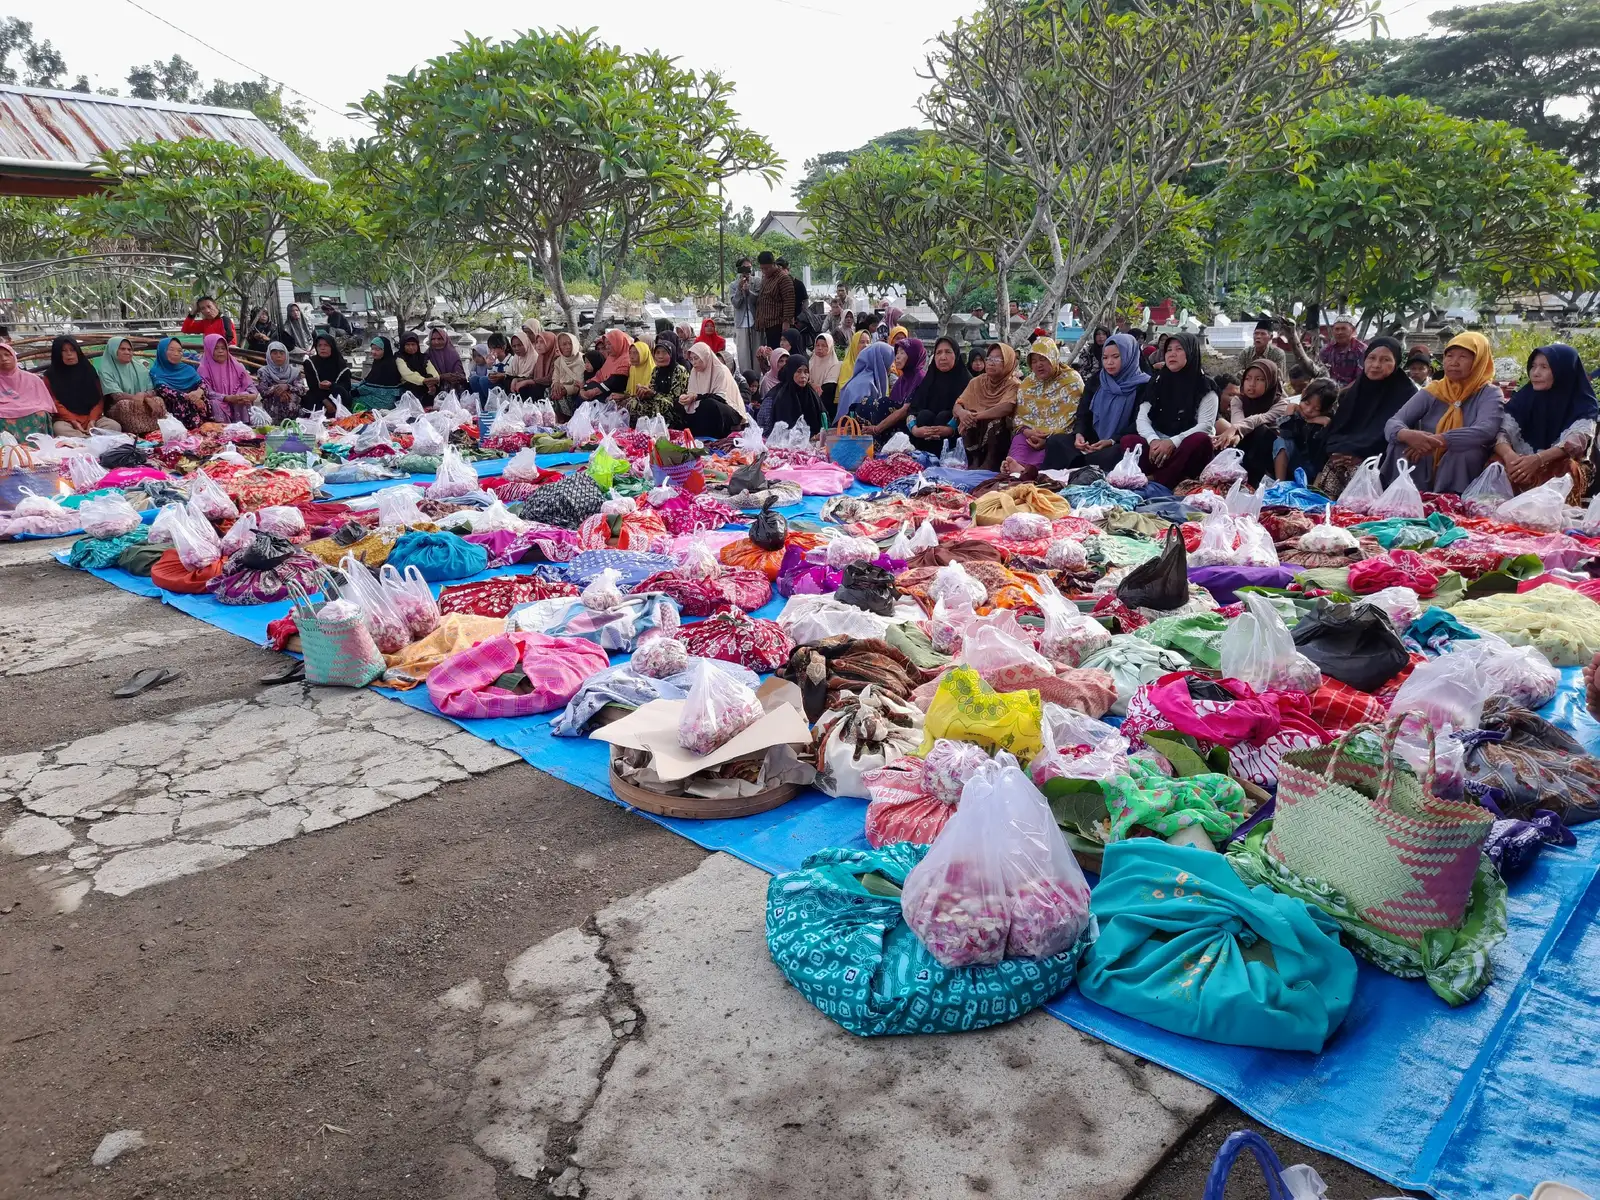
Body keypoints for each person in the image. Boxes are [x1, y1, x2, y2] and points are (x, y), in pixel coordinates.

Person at [1382, 331, 1500, 493]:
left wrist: (1441, 440)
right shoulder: (1434, 390)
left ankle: (1450, 502)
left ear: (1479, 361)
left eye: (1463, 357)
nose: (1454, 362)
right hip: (1425, 452)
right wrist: (1408, 435)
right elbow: (1393, 422)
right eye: (1449, 356)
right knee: (1399, 444)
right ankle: (1403, 498)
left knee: (1464, 452)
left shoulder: (1489, 393)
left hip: (1460, 453)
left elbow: (1486, 429)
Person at [1313, 335, 1415, 497]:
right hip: (1347, 454)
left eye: (1385, 360)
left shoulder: (1407, 393)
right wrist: (1337, 450)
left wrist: (1361, 455)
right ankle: (1325, 511)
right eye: (1371, 358)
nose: (1376, 365)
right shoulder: (1356, 390)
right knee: (1334, 466)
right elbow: (1340, 427)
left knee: (1358, 471)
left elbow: (1393, 433)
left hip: (1382, 459)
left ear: (1396, 363)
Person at [1495, 343, 1597, 498]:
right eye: (1533, 366)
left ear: (1563, 371)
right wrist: (1510, 456)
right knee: (1496, 462)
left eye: (1544, 367)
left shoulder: (1582, 404)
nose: (1535, 373)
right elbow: (1502, 431)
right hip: (1520, 462)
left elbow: (1575, 442)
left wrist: (1538, 460)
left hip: (1556, 461)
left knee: (1566, 468)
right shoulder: (1525, 398)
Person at [1119, 331, 1219, 487]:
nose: (1172, 354)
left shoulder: (1205, 386)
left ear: (1191, 352)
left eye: (1179, 349)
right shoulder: (1157, 381)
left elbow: (1206, 425)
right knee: (1129, 440)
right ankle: (1166, 476)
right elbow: (1143, 417)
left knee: (1200, 440)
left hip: (1184, 449)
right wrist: (1153, 440)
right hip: (1157, 449)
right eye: (1169, 350)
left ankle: (1158, 479)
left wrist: (1173, 442)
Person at [1044, 331, 1151, 472]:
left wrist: (1112, 440)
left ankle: (1082, 468)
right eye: (1105, 358)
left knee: (1118, 452)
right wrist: (1079, 434)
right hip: (1092, 442)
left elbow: (1139, 423)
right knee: (1056, 441)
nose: (1109, 362)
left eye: (1116, 357)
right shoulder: (1098, 380)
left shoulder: (1145, 385)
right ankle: (1083, 467)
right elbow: (1083, 413)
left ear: (1129, 356)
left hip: (1116, 442)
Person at [1000, 338, 1085, 474]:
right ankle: (1014, 468)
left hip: (1057, 438)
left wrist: (1047, 438)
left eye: (1043, 359)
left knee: (1053, 445)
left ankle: (1027, 472)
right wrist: (1028, 431)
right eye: (1034, 361)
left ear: (1053, 357)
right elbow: (1020, 419)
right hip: (1030, 435)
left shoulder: (1071, 380)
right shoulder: (1028, 383)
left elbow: (1073, 418)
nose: (1038, 365)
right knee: (1019, 439)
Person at [1215, 359, 1292, 482]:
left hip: (1271, 457)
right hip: (1246, 449)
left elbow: (1261, 418)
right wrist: (1236, 431)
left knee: (1261, 430)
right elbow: (1238, 422)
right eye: (1248, 379)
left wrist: (1236, 429)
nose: (1251, 384)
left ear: (1270, 381)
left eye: (1259, 379)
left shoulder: (1281, 404)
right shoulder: (1238, 400)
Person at [953, 343, 1022, 470]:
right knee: (966, 415)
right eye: (989, 359)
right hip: (977, 428)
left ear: (1007, 362)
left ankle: (990, 461)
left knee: (996, 420)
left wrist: (976, 416)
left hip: (1002, 435)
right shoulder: (977, 381)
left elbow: (1006, 407)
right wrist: (963, 413)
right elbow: (958, 404)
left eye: (997, 360)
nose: (990, 363)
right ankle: (974, 459)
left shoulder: (1014, 384)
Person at [43, 336, 117, 435]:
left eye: (73, 350)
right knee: (59, 429)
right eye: (64, 351)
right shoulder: (50, 376)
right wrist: (72, 420)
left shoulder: (88, 370)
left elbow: (99, 398)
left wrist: (92, 419)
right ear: (57, 354)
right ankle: (89, 440)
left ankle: (83, 440)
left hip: (92, 418)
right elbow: (54, 402)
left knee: (114, 426)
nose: (69, 354)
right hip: (67, 420)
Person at [906, 336, 969, 452]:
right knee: (924, 415)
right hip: (923, 440)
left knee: (944, 416)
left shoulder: (966, 381)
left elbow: (970, 410)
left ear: (956, 354)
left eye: (948, 352)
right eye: (938, 353)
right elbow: (912, 411)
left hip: (953, 442)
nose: (943, 357)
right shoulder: (929, 380)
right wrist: (915, 430)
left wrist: (950, 429)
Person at [674, 341, 747, 438]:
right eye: (691, 359)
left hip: (728, 409)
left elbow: (721, 397)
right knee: (678, 405)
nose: (694, 362)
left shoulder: (721, 370)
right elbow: (692, 392)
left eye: (696, 358)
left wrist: (696, 397)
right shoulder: (694, 372)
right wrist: (686, 398)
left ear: (706, 356)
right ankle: (694, 437)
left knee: (709, 404)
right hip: (704, 403)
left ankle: (716, 436)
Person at [95, 336, 166, 435]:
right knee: (125, 404)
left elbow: (153, 390)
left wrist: (145, 397)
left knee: (158, 400)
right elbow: (116, 396)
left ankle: (156, 430)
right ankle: (138, 433)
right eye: (122, 349)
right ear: (113, 350)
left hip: (140, 400)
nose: (127, 352)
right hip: (116, 407)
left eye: (129, 349)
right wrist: (140, 397)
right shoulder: (105, 370)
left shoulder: (139, 367)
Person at [1273, 377, 1337, 481]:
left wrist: (1327, 427)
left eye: (1316, 409)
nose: (1308, 410)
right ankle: (1280, 484)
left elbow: (1323, 457)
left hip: (1313, 470)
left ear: (1326, 409)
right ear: (1303, 394)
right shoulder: (1296, 412)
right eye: (1306, 403)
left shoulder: (1329, 421)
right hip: (1294, 463)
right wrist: (1289, 414)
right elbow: (1285, 436)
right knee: (1281, 442)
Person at [0, 335, 60, 442]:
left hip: (30, 411)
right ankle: (8, 452)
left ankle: (38, 449)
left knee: (41, 414)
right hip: (3, 413)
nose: (4, 359)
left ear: (14, 356)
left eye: (7, 355)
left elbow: (44, 403)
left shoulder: (32, 379)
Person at [148, 336, 210, 428]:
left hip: (196, 403)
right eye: (171, 350)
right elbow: (165, 391)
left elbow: (203, 384)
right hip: (175, 408)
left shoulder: (187, 368)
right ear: (162, 351)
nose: (176, 354)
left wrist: (199, 391)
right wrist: (191, 398)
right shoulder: (156, 371)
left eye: (179, 351)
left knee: (203, 398)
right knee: (181, 403)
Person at [197, 334, 258, 423]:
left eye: (223, 348)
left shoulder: (237, 366)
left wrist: (249, 396)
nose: (220, 351)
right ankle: (222, 433)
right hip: (219, 403)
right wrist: (227, 398)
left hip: (237, 403)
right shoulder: (203, 369)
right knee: (214, 403)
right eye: (216, 348)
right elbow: (207, 392)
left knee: (243, 397)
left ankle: (245, 430)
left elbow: (251, 387)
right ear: (209, 350)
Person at [631, 333, 689, 421]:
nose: (660, 356)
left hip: (674, 407)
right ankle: (639, 431)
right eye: (657, 353)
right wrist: (644, 392)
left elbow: (675, 399)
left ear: (672, 354)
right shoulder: (656, 370)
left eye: (664, 353)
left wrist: (653, 394)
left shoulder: (679, 370)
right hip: (657, 401)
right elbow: (652, 389)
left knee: (658, 406)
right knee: (634, 402)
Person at [759, 352, 821, 435]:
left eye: (806, 372)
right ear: (791, 372)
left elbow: (825, 422)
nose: (803, 376)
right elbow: (764, 429)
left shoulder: (812, 396)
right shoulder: (775, 397)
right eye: (799, 371)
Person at [255, 341, 308, 421]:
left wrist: (287, 387)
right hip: (271, 412)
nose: (278, 356)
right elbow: (263, 392)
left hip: (293, 412)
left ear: (286, 355)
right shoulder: (263, 372)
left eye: (281, 353)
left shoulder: (294, 372)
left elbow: (302, 390)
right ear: (269, 355)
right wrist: (278, 388)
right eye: (275, 353)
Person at [754, 251, 795, 351]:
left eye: (767, 268)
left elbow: (789, 301)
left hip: (778, 324)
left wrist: (786, 322)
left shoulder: (783, 278)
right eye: (762, 268)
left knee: (778, 351)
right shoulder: (765, 278)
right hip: (767, 323)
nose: (764, 271)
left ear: (774, 264)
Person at [578, 330, 634, 402]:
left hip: (615, 394)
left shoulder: (626, 359)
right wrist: (585, 388)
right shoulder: (611, 358)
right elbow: (599, 376)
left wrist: (592, 392)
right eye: (606, 344)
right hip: (605, 389)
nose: (607, 347)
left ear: (619, 342)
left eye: (610, 344)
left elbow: (613, 382)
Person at [307, 333, 356, 414]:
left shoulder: (340, 364)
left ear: (332, 347)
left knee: (342, 398)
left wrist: (332, 385)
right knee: (310, 399)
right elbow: (312, 386)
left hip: (336, 395)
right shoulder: (310, 363)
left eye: (326, 345)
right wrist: (326, 401)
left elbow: (346, 386)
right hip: (318, 396)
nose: (322, 348)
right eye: (319, 345)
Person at [728, 257, 761, 373]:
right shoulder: (733, 285)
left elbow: (758, 300)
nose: (746, 271)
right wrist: (739, 289)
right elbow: (736, 303)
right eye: (744, 268)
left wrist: (748, 292)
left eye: (749, 268)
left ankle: (756, 377)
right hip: (741, 322)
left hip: (755, 321)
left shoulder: (756, 281)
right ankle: (746, 377)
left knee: (756, 352)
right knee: (743, 353)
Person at [1319, 314, 1367, 388]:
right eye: (1337, 329)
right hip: (1329, 391)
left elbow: (1361, 378)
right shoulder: (1326, 350)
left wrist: (1342, 391)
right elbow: (1320, 374)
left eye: (1343, 329)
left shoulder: (1361, 350)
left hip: (1355, 390)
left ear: (1353, 330)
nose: (1339, 332)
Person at [547, 333, 587, 418]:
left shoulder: (582, 359)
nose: (568, 347)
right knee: (550, 391)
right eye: (564, 344)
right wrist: (556, 384)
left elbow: (580, 382)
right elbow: (555, 377)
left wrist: (565, 389)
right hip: (561, 388)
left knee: (562, 395)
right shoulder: (558, 361)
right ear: (559, 346)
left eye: (570, 343)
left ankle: (569, 418)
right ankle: (556, 418)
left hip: (576, 391)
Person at [395, 332, 441, 403]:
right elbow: (406, 374)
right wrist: (423, 380)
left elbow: (432, 370)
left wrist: (433, 381)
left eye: (413, 344)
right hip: (408, 386)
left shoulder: (423, 357)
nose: (411, 347)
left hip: (426, 384)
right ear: (403, 345)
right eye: (407, 345)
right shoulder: (399, 357)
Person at [810, 332, 842, 419]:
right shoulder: (811, 362)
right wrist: (812, 385)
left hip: (825, 406)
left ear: (830, 346)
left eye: (824, 345)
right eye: (817, 345)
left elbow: (828, 389)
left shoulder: (835, 364)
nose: (820, 348)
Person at [427, 328, 468, 394]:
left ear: (445, 339)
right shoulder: (427, 355)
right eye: (433, 339)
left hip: (453, 387)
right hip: (434, 387)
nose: (436, 342)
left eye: (440, 339)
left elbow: (461, 374)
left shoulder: (453, 354)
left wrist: (455, 377)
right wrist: (442, 377)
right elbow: (426, 376)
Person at [835, 329, 871, 394]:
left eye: (868, 342)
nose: (866, 345)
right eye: (862, 342)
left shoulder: (872, 364)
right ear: (855, 344)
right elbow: (843, 387)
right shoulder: (847, 365)